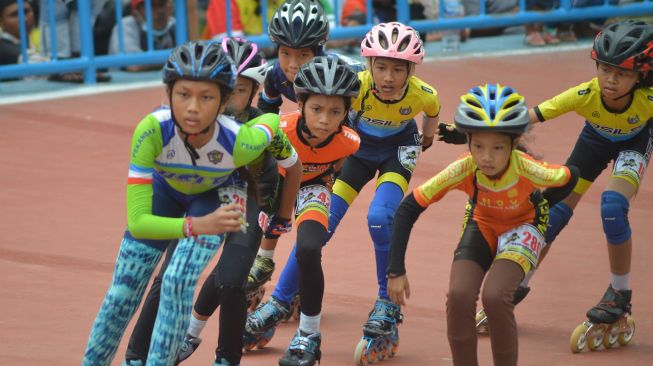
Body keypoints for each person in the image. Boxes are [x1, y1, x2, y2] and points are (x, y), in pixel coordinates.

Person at [245, 22, 449, 362]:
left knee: (381, 216)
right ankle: (280, 301)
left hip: (399, 150)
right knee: (321, 224)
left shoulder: (424, 93)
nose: (387, 76)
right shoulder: (356, 85)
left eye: (398, 69)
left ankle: (386, 302)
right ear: (368, 64)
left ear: (411, 70)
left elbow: (432, 115)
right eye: (380, 66)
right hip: (356, 149)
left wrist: (427, 138)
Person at [81, 40, 286, 365]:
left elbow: (271, 122)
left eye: (206, 97)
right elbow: (138, 222)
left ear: (222, 103)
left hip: (215, 195)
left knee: (177, 281)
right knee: (119, 297)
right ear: (168, 95)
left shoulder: (238, 141)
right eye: (183, 94)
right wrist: (195, 227)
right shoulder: (151, 130)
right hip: (169, 194)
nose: (193, 107)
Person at [386, 84, 579, 365]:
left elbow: (571, 175)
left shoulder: (527, 168)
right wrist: (396, 270)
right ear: (469, 142)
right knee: (459, 295)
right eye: (478, 146)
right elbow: (408, 208)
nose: (487, 157)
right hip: (482, 224)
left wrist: (545, 202)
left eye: (498, 147)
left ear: (513, 144)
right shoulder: (464, 167)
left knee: (495, 297)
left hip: (524, 226)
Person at [526, 19, 653, 350]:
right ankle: (519, 283)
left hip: (634, 144)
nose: (610, 80)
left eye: (622, 74)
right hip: (593, 142)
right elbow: (529, 115)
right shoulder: (585, 94)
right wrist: (472, 127)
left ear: (641, 76)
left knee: (612, 205)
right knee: (551, 211)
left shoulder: (649, 99)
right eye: (605, 69)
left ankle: (619, 293)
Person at [248, 55, 361, 366]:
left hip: (313, 188)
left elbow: (334, 169)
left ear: (346, 113)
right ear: (301, 104)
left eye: (335, 111)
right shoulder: (280, 128)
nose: (325, 120)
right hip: (279, 185)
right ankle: (260, 266)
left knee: (309, 248)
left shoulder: (350, 141)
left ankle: (308, 336)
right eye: (317, 109)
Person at [108, 0, 176, 71]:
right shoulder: (125, 26)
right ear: (136, 13)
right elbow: (134, 64)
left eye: (162, 4)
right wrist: (176, 59)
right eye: (152, 6)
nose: (160, 11)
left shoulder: (176, 26)